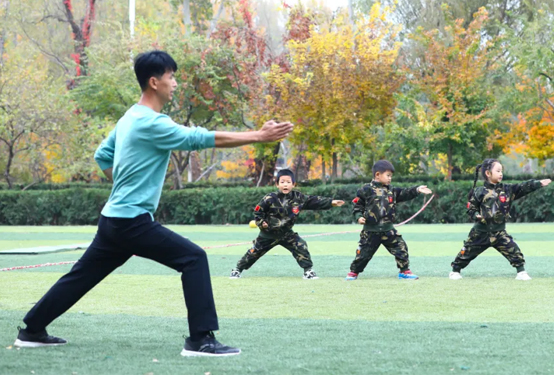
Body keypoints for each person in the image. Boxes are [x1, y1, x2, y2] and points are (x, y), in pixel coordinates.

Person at [13, 50, 293, 357]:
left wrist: (124, 187)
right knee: (194, 258)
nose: (175, 83)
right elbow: (197, 139)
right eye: (171, 77)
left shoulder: (129, 117)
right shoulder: (151, 123)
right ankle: (200, 340)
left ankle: (32, 330)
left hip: (113, 220)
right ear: (154, 82)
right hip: (130, 222)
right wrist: (259, 136)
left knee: (82, 277)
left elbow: (102, 156)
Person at [230, 168, 345, 279]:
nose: (285, 185)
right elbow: (258, 212)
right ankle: (237, 270)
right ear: (277, 184)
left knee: (301, 246)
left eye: (288, 182)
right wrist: (261, 223)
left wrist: (332, 202)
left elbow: (313, 201)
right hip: (268, 235)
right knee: (254, 253)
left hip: (287, 234)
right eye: (282, 182)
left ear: (293, 184)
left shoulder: (298, 198)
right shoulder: (269, 198)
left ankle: (308, 271)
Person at [450, 158, 551, 280]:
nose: (501, 174)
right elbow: (471, 208)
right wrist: (476, 215)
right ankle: (455, 271)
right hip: (480, 232)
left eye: (501, 171)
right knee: (466, 253)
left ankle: (521, 272)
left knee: (514, 251)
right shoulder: (479, 192)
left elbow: (523, 187)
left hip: (499, 232)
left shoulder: (508, 190)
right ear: (488, 173)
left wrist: (538, 183)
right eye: (498, 171)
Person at [345, 160, 432, 280]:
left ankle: (404, 271)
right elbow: (357, 206)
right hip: (370, 231)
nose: (390, 178)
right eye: (388, 175)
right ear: (377, 175)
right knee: (363, 255)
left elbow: (405, 192)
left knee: (401, 248)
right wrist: (359, 217)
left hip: (388, 230)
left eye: (391, 176)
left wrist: (417, 189)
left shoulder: (392, 191)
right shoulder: (365, 190)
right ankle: (353, 272)